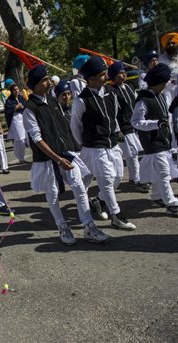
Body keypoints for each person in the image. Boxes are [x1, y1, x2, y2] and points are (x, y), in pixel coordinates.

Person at [23, 65, 109, 244]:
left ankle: (89, 226)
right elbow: (37, 139)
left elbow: (63, 126)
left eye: (48, 79)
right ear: (36, 85)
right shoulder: (30, 109)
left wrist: (71, 149)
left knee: (79, 187)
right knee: (52, 193)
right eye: (45, 80)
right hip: (48, 160)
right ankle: (62, 226)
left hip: (66, 153)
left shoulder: (53, 100)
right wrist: (58, 159)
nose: (49, 82)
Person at [71, 56, 137, 230]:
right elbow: (75, 125)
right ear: (91, 79)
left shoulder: (111, 93)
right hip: (94, 147)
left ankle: (98, 200)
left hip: (113, 144)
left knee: (117, 177)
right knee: (106, 180)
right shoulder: (81, 100)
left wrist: (116, 132)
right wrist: (82, 144)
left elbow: (113, 117)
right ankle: (116, 216)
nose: (106, 76)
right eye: (102, 74)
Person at [131, 64, 178, 215]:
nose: (165, 86)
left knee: (162, 172)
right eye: (163, 83)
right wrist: (155, 124)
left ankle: (157, 195)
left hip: (164, 141)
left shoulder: (161, 96)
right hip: (152, 141)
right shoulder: (143, 100)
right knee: (164, 173)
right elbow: (136, 122)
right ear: (157, 83)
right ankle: (171, 203)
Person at [107, 61, 148, 192]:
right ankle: (136, 179)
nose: (123, 74)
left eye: (124, 72)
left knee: (135, 153)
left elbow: (136, 103)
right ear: (113, 76)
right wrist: (117, 130)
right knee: (132, 154)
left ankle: (135, 177)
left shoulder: (129, 87)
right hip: (124, 127)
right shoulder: (112, 92)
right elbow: (112, 113)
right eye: (120, 73)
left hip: (134, 125)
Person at [4, 83, 28, 162]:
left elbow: (26, 105)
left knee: (25, 139)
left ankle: (22, 156)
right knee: (19, 139)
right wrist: (15, 107)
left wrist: (23, 107)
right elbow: (8, 111)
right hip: (15, 120)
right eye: (14, 90)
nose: (16, 91)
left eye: (17, 89)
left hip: (23, 118)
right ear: (11, 91)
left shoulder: (21, 98)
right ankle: (20, 157)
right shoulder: (9, 100)